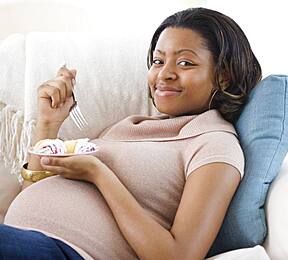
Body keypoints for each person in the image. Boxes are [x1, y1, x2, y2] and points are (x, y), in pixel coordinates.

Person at [0, 7, 261, 260]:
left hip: (65, 251)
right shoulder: (126, 126)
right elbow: (32, 194)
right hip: (21, 239)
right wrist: (48, 124)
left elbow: (179, 256)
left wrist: (100, 174)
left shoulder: (215, 144)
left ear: (223, 77)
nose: (164, 74)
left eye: (185, 63)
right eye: (158, 61)